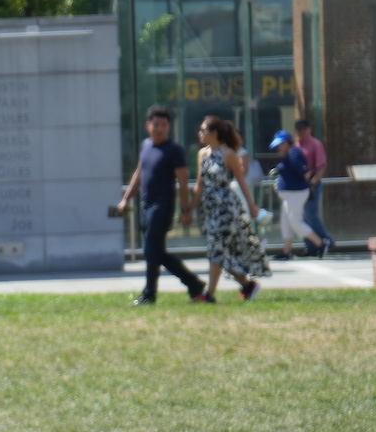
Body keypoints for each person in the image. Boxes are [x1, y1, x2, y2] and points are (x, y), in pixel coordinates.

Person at [111, 105, 206, 306]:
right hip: (145, 205)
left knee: (150, 250)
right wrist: (126, 198)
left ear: (169, 126)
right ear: (148, 126)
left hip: (162, 205)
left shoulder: (174, 150)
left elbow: (182, 182)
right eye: (156, 125)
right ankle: (193, 283)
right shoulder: (146, 145)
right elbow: (139, 173)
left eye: (163, 125)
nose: (160, 129)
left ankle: (149, 293)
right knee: (155, 251)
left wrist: (186, 210)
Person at [191, 116, 268, 302]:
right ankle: (248, 285)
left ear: (214, 133)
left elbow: (241, 182)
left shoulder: (229, 154)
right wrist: (189, 209)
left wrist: (252, 206)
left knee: (216, 249)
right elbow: (200, 184)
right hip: (209, 208)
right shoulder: (202, 154)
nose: (200, 134)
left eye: (203, 130)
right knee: (222, 253)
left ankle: (209, 295)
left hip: (226, 207)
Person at [269, 130, 324, 260]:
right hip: (290, 195)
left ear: (287, 142)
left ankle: (321, 244)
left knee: (295, 222)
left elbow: (305, 172)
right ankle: (287, 251)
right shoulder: (291, 153)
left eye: (281, 144)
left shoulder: (293, 153)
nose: (279, 147)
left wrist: (309, 183)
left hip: (296, 193)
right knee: (286, 222)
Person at [293, 119, 335, 256]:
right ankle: (311, 247)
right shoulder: (295, 146)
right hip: (298, 186)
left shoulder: (316, 144)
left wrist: (313, 183)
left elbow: (321, 166)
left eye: (304, 129)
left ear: (309, 129)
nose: (302, 132)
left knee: (310, 214)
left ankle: (327, 239)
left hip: (312, 185)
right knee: (301, 217)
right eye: (299, 129)